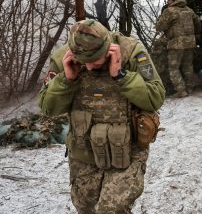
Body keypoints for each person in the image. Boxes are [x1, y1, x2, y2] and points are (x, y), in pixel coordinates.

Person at [38, 19, 165, 213]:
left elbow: (155, 98)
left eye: (95, 62)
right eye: (84, 63)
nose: (88, 67)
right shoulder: (63, 58)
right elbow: (48, 108)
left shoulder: (131, 52)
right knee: (85, 206)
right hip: (84, 150)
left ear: (109, 49)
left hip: (127, 151)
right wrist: (67, 80)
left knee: (111, 209)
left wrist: (121, 76)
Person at [155, 0, 200, 98]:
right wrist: (194, 34)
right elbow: (198, 23)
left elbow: (159, 27)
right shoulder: (189, 10)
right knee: (187, 65)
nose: (167, 3)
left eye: (168, 1)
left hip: (176, 43)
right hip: (190, 42)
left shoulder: (169, 11)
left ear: (171, 0)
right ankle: (189, 88)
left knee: (173, 68)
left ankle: (181, 90)